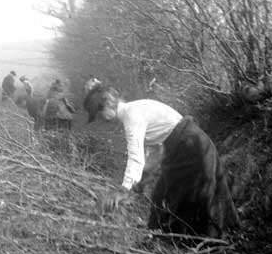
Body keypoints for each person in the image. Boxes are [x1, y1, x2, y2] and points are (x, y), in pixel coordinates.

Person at [83, 84, 239, 238]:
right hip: (186, 145)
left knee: (195, 198)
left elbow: (136, 158)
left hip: (192, 147)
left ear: (108, 104)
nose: (100, 120)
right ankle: (157, 237)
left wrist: (123, 191)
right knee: (160, 196)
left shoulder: (132, 117)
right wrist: (141, 182)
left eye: (98, 114)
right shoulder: (133, 110)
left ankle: (212, 241)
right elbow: (156, 151)